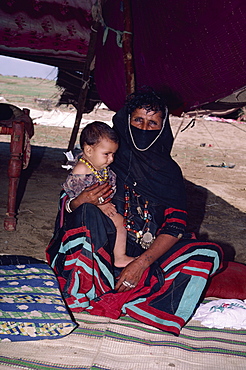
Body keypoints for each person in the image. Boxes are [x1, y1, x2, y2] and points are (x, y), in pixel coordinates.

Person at [46, 89, 223, 336]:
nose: (144, 128)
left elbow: (175, 226)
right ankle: (91, 286)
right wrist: (81, 201)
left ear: (162, 129)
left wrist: (141, 262)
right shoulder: (109, 158)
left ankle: (131, 292)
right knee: (87, 212)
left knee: (207, 253)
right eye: (138, 120)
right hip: (100, 252)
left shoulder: (169, 174)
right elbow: (70, 201)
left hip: (145, 257)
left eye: (153, 123)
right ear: (127, 121)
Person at [63, 121, 134, 268]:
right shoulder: (82, 170)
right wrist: (101, 205)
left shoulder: (98, 165)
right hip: (89, 212)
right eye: (106, 154)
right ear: (89, 151)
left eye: (113, 154)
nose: (111, 159)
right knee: (120, 222)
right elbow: (79, 196)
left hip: (102, 205)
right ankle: (119, 256)